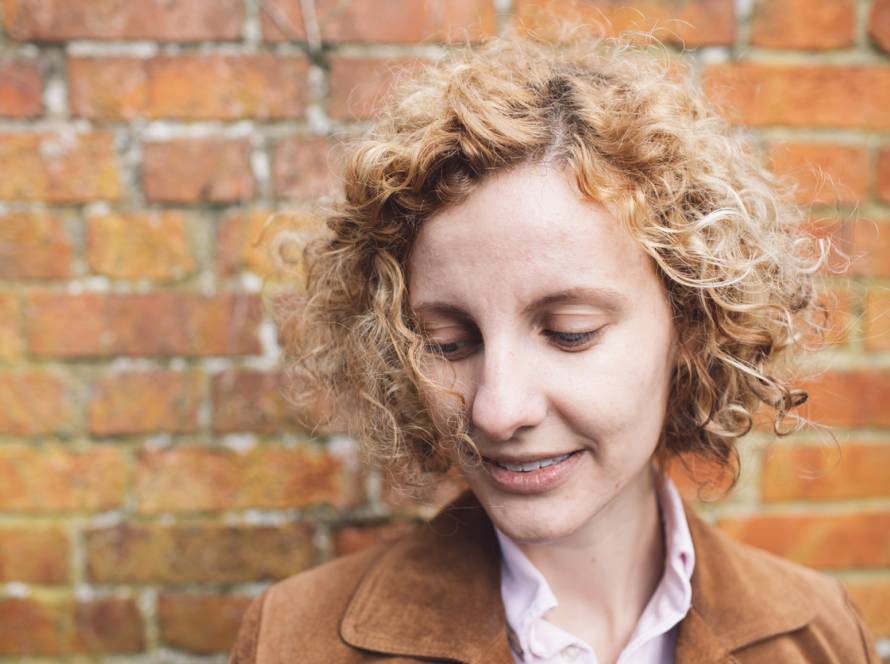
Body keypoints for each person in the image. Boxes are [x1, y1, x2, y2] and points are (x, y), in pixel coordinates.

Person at [230, 32, 880, 663]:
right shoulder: (291, 642)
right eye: (447, 342)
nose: (496, 410)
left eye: (571, 332)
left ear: (691, 322)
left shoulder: (821, 636)